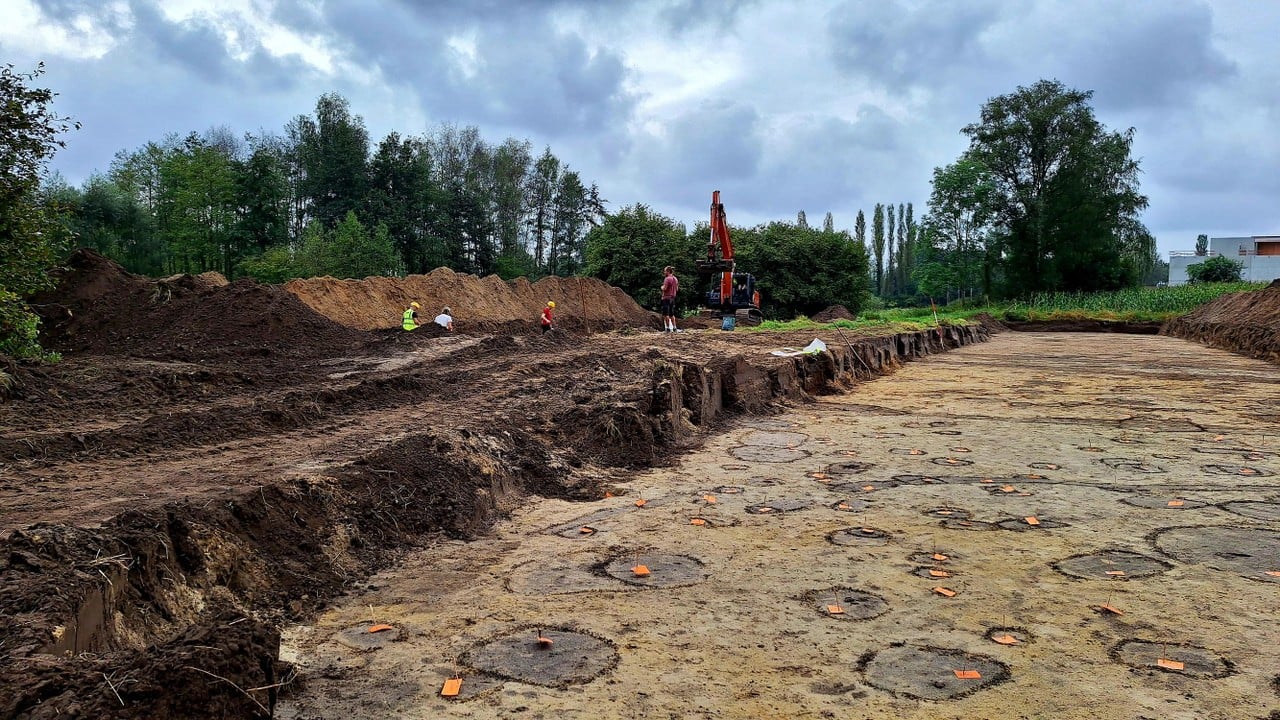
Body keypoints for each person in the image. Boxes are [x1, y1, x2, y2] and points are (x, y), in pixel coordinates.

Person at [660, 266, 680, 332]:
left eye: (665, 271)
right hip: (672, 298)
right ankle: (674, 328)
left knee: (666, 314)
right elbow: (677, 289)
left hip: (666, 298)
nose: (664, 272)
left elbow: (665, 288)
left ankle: (668, 328)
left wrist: (662, 287)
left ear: (668, 271)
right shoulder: (675, 279)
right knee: (672, 314)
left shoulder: (667, 279)